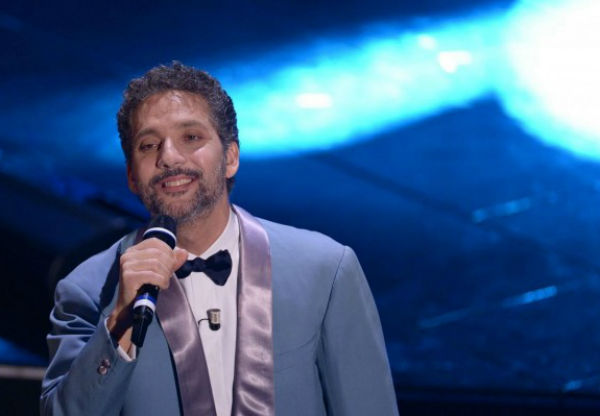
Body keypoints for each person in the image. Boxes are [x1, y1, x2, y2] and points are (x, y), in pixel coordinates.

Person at [40, 62, 399, 415]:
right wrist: (119, 320)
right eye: (148, 145)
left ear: (230, 158)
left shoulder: (325, 270)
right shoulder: (88, 290)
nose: (169, 157)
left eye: (191, 137)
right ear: (132, 176)